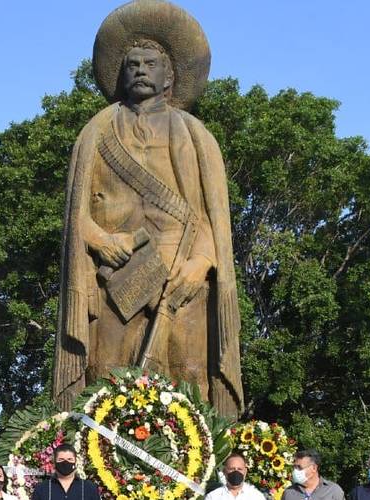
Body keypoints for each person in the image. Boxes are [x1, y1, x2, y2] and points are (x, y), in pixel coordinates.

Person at [52, 0, 244, 419]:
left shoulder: (195, 136)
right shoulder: (96, 133)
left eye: (151, 63)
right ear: (119, 75)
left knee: (187, 385)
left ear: (170, 74)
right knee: (108, 383)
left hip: (181, 277)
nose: (140, 69)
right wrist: (102, 240)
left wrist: (201, 262)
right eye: (132, 63)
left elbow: (212, 218)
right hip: (115, 282)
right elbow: (74, 221)